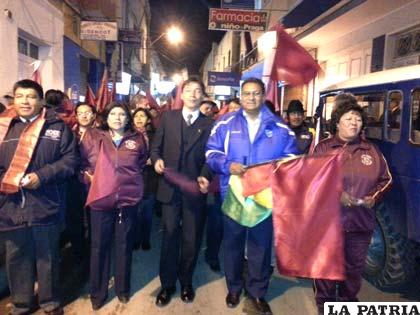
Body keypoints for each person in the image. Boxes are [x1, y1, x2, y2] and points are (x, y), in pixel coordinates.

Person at [206, 78, 298, 315]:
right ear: (240, 95)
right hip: (234, 195)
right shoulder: (225, 123)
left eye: (256, 93)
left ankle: (257, 293)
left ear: (263, 94)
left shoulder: (279, 127)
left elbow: (291, 160)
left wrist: (277, 170)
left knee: (260, 246)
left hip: (264, 198)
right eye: (246, 94)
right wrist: (227, 165)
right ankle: (234, 288)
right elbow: (211, 152)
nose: (251, 98)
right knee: (233, 244)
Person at [0, 79, 78, 315]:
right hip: (11, 205)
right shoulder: (4, 127)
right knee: (16, 257)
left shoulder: (57, 126)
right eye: (20, 96)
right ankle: (22, 304)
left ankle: (50, 302)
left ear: (41, 100)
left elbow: (70, 162)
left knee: (48, 258)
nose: (25, 101)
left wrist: (41, 176)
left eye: (31, 96)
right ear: (13, 99)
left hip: (45, 203)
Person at [313, 93, 392, 315]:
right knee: (327, 269)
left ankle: (347, 304)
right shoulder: (323, 148)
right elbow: (310, 180)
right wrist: (336, 194)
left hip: (360, 225)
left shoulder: (372, 151)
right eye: (348, 118)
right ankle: (326, 305)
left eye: (357, 119)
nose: (354, 123)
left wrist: (373, 197)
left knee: (353, 270)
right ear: (337, 122)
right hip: (328, 224)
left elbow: (387, 179)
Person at [150, 77, 213, 307]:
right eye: (189, 90)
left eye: (198, 91)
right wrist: (156, 159)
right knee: (169, 237)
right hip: (169, 189)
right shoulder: (168, 117)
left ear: (203, 95)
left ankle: (186, 281)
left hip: (194, 190)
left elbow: (212, 155)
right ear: (182, 93)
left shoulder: (209, 123)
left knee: (191, 238)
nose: (194, 94)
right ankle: (167, 284)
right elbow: (156, 146)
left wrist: (206, 175)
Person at [80, 102, 147, 310]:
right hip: (101, 200)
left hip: (127, 201)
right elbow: (80, 164)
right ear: (106, 117)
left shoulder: (137, 140)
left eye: (122, 114)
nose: (117, 117)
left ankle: (123, 289)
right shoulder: (93, 137)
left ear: (128, 118)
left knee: (124, 245)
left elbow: (142, 163)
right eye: (113, 114)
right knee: (99, 247)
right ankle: (98, 293)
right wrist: (87, 178)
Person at [132, 108, 158, 250]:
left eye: (142, 116)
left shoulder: (155, 135)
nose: (139, 118)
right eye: (136, 116)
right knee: (135, 212)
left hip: (150, 178)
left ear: (148, 119)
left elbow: (160, 152)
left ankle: (145, 239)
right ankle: (135, 239)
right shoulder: (129, 135)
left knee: (147, 213)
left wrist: (154, 159)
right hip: (133, 179)